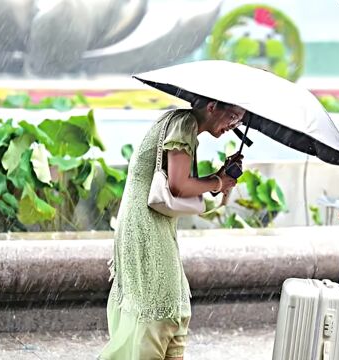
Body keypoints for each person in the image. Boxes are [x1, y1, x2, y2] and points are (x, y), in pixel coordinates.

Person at [100, 97, 245, 360]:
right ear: (212, 106)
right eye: (233, 116)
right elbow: (178, 186)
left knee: (167, 310)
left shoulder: (180, 123)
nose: (233, 125)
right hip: (146, 229)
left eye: (239, 121)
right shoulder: (184, 123)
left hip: (147, 225)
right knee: (159, 311)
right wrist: (216, 181)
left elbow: (181, 191)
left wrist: (221, 180)